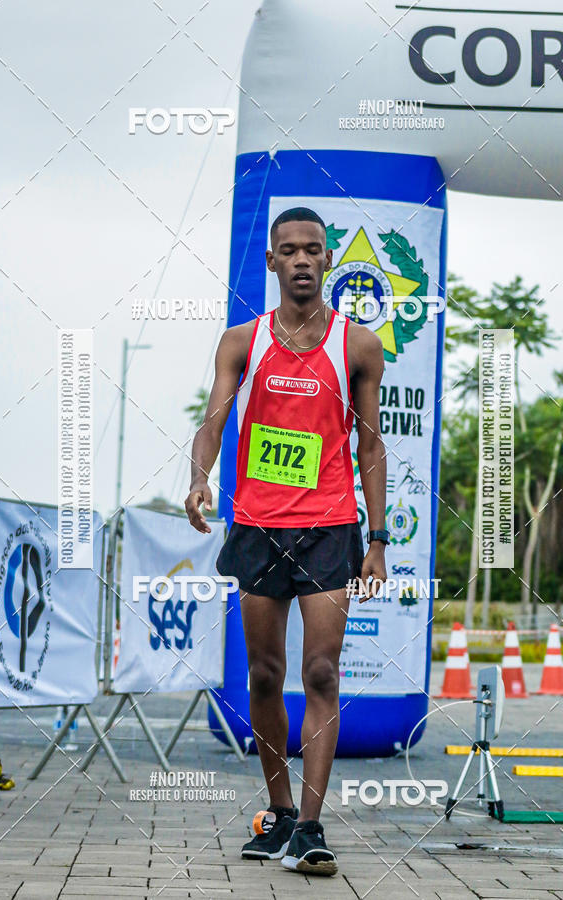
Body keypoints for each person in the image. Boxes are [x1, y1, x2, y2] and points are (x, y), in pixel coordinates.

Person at [185, 207, 388, 876]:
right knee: (265, 674)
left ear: (328, 260)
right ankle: (276, 814)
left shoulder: (358, 346)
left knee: (321, 671)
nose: (302, 259)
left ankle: (310, 826)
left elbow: (370, 446)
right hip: (258, 526)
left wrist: (378, 539)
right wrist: (199, 479)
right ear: (272, 261)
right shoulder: (241, 341)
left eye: (313, 249)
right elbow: (213, 421)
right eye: (290, 250)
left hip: (329, 526)